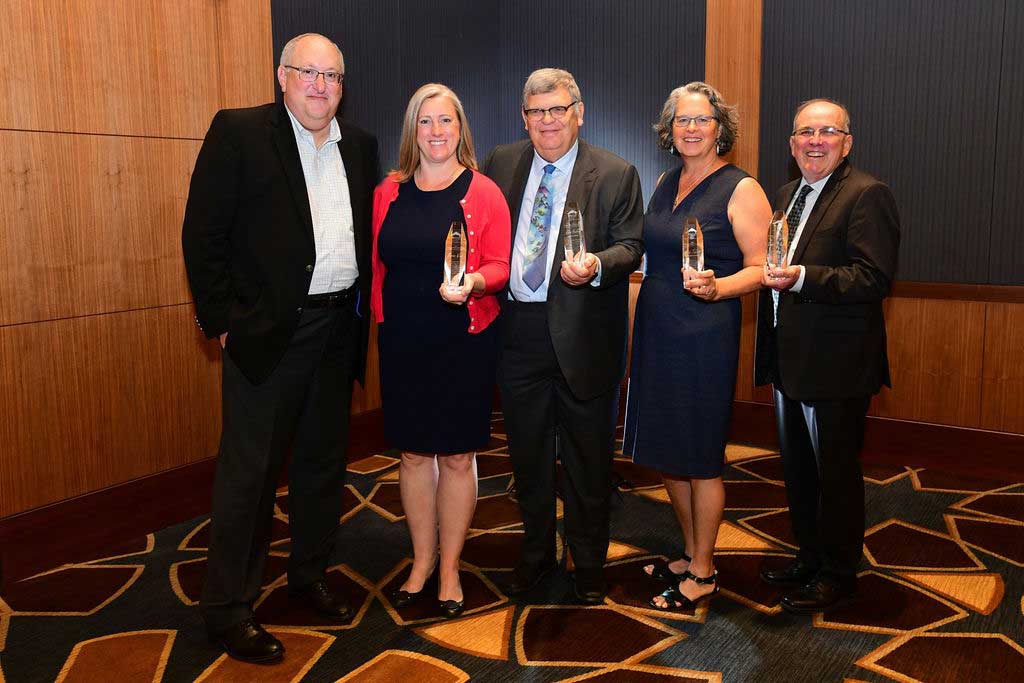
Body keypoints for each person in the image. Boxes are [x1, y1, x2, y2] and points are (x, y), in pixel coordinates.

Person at [181, 33, 379, 662]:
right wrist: (223, 321)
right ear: (282, 76)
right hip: (269, 334)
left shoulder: (363, 148)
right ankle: (228, 608)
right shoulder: (240, 133)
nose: (320, 86)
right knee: (251, 474)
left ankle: (308, 576)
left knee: (322, 464)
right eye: (308, 73)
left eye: (332, 77)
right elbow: (202, 233)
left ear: (342, 88)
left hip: (336, 327)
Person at [482, 68, 644, 604]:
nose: (547, 121)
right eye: (536, 112)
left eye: (557, 109)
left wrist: (597, 264)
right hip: (519, 334)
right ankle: (534, 556)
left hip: (584, 334)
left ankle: (589, 562)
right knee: (527, 458)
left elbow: (631, 246)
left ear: (579, 112)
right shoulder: (501, 163)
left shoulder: (617, 173)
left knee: (588, 460)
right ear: (524, 119)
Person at [622, 82, 770, 610]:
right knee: (667, 451)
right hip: (659, 329)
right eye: (681, 120)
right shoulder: (665, 181)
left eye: (701, 119)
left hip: (705, 333)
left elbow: (760, 268)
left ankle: (704, 571)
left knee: (702, 456)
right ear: (670, 129)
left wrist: (718, 286)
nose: (690, 128)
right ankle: (689, 550)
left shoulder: (741, 188)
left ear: (719, 127)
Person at [370, 84, 511, 619]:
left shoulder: (484, 192)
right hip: (404, 341)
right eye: (425, 122)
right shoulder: (389, 191)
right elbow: (379, 265)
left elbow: (499, 267)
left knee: (455, 455)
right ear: (413, 130)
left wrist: (474, 281)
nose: (435, 132)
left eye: (445, 121)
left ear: (460, 128)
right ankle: (421, 560)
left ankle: (450, 566)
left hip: (462, 340)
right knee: (411, 454)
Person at [755, 98, 900, 613]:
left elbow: (873, 278)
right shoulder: (788, 194)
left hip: (837, 365)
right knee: (798, 469)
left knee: (835, 473)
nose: (815, 141)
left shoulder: (867, 195)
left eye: (827, 132)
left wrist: (802, 278)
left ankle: (839, 572)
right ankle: (809, 556)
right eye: (805, 133)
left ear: (847, 142)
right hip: (790, 360)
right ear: (792, 144)